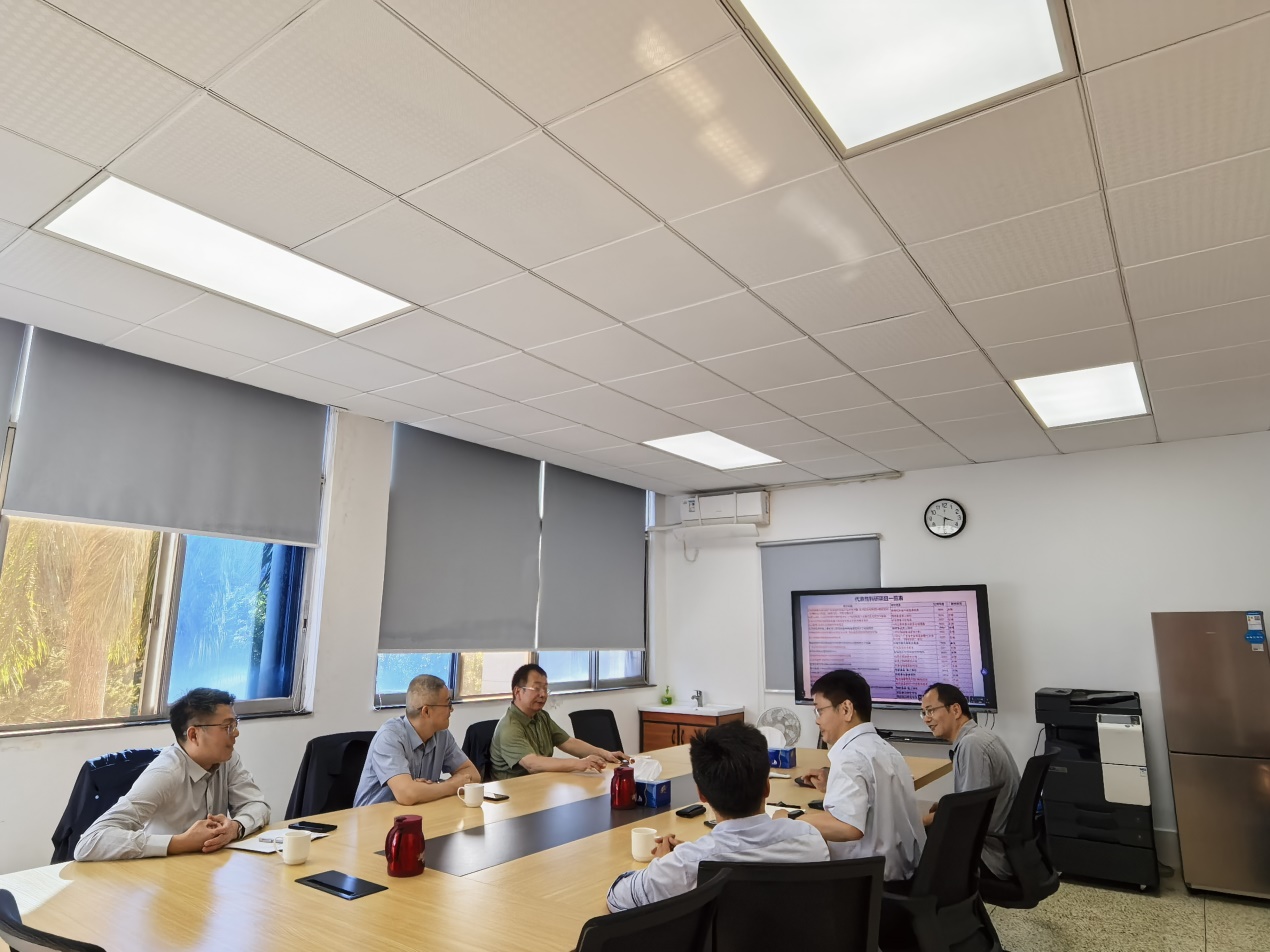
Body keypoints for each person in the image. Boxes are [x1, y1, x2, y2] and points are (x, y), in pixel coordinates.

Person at [606, 721, 829, 911]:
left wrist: (663, 865)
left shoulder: (686, 865)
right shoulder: (810, 839)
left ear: (701, 795)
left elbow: (616, 897)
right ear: (767, 787)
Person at [74, 688, 269, 861]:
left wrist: (236, 827)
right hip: (160, 875)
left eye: (235, 724)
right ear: (193, 735)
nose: (235, 733)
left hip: (206, 870)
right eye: (227, 727)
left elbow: (257, 805)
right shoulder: (166, 772)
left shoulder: (228, 759)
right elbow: (89, 842)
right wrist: (180, 842)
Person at [790, 669, 925, 882]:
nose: (817, 720)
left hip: (872, 883)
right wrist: (833, 785)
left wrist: (792, 820)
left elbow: (848, 827)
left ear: (846, 709)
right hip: (905, 871)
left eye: (819, 711)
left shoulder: (850, 757)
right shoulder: (886, 749)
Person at [920, 682, 1020, 879]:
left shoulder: (972, 745)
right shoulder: (981, 736)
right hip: (997, 843)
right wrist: (945, 807)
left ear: (955, 710)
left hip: (987, 854)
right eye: (923, 713)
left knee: (912, 839)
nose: (926, 719)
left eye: (930, 711)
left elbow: (968, 816)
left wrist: (920, 822)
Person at [354, 674, 482, 807]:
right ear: (426, 711)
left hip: (415, 812)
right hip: (374, 815)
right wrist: (452, 785)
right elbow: (407, 794)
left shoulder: (442, 735)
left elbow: (473, 775)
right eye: (448, 704)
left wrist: (430, 788)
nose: (452, 709)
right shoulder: (389, 737)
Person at [489, 664, 628, 779]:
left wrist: (605, 754)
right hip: (514, 792)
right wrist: (579, 763)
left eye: (545, 689)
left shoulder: (541, 717)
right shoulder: (509, 726)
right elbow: (532, 764)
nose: (543, 694)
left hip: (541, 784)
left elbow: (569, 743)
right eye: (536, 688)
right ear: (518, 692)